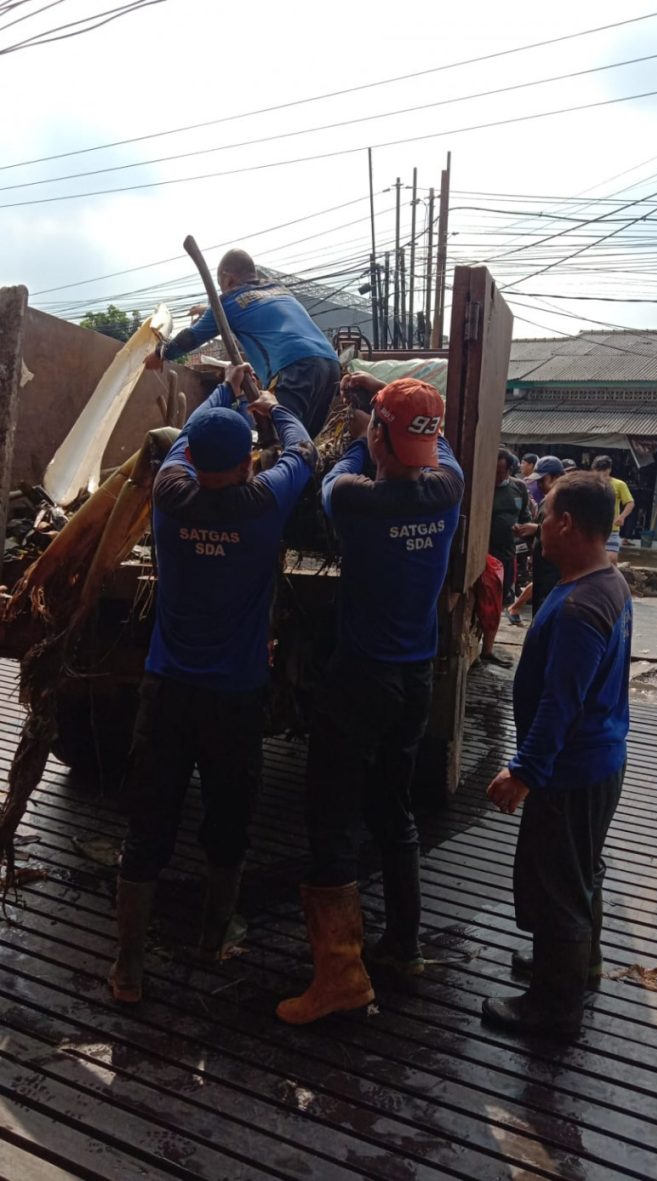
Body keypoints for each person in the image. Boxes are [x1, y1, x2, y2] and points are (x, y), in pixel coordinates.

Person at [109, 363, 317, 1005]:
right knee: (229, 822)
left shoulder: (170, 493)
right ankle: (211, 937)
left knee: (148, 825)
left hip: (166, 691)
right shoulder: (263, 504)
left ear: (195, 460)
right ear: (250, 461)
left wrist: (227, 391)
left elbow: (184, 438)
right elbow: (304, 451)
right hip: (235, 699)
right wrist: (271, 405)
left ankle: (128, 970)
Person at [276, 372, 464, 1025]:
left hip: (361, 678)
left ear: (381, 439)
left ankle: (340, 977)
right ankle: (404, 945)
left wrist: (364, 426)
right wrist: (385, 407)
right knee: (393, 806)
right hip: (415, 678)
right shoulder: (449, 488)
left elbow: (338, 470)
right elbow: (437, 444)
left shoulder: (353, 497)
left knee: (331, 817)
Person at [482, 472, 632, 1040]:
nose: (538, 525)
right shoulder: (607, 580)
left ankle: (553, 1008)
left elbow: (560, 703)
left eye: (544, 515)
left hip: (571, 770)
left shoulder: (579, 609)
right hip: (600, 760)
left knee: (557, 886)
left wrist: (523, 771)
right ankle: (575, 964)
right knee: (581, 870)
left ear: (567, 523)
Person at [146, 248, 341, 438]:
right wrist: (207, 309)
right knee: (304, 440)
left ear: (228, 278)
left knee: (284, 440)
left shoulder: (226, 302)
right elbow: (249, 304)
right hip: (331, 364)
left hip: (294, 367)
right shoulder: (277, 289)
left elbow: (191, 337)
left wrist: (160, 354)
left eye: (222, 285)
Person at [481, 447, 531, 666]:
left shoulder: (519, 488)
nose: (495, 476)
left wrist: (522, 530)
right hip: (482, 554)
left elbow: (525, 517)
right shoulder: (481, 487)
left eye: (500, 471)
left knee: (499, 602)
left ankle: (488, 648)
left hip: (506, 555)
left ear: (509, 469)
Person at [508, 456, 565, 623]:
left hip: (554, 569)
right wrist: (528, 532)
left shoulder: (564, 502)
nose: (539, 485)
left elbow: (563, 535)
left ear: (556, 477)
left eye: (543, 480)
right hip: (542, 566)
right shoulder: (547, 499)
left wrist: (537, 530)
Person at [590, 455, 634, 563]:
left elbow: (630, 503)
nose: (601, 475)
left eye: (604, 471)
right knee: (592, 560)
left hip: (612, 529)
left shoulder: (619, 484)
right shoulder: (589, 484)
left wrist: (622, 517)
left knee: (612, 559)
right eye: (598, 471)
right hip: (592, 529)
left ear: (609, 470)